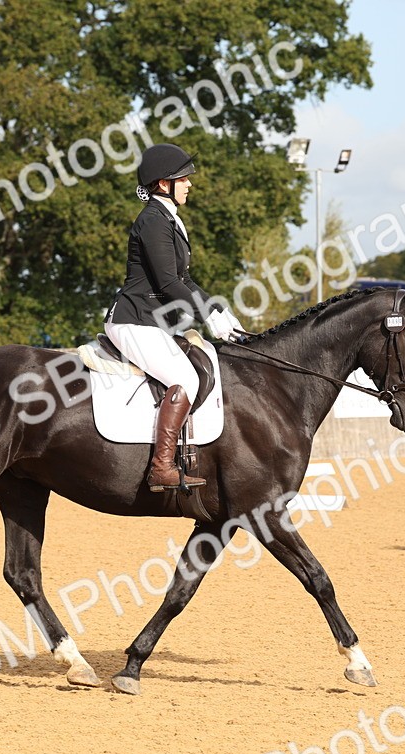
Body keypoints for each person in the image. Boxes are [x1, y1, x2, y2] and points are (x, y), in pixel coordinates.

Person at [104, 143, 246, 492]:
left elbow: (183, 279)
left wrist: (218, 309)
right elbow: (167, 283)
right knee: (185, 378)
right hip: (133, 320)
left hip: (151, 321)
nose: (190, 184)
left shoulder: (168, 219)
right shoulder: (152, 221)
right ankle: (161, 468)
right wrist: (205, 312)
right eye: (183, 179)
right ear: (163, 183)